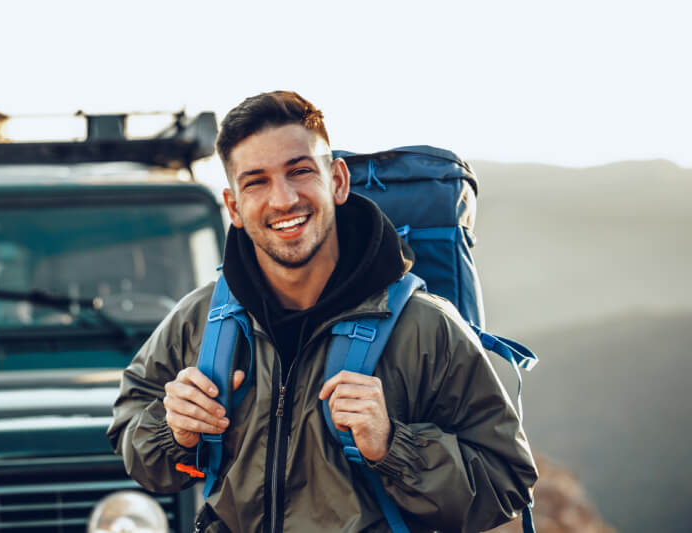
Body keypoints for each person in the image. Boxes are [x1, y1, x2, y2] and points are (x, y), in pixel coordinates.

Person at [107, 91, 538, 532]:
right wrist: (173, 430)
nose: (283, 199)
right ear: (234, 206)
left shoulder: (425, 328)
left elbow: (507, 483)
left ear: (337, 181)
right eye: (256, 181)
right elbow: (132, 432)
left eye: (300, 171)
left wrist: (393, 445)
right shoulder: (200, 320)